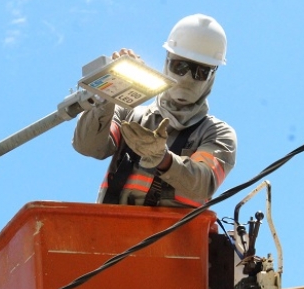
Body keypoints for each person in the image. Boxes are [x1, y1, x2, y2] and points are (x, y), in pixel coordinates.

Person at [73, 13, 237, 208]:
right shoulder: (129, 114)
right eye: (180, 66)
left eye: (200, 72)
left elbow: (201, 184)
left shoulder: (217, 134)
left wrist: (164, 159)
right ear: (167, 61)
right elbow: (89, 146)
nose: (187, 78)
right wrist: (109, 92)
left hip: (173, 236)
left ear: (212, 76)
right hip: (112, 231)